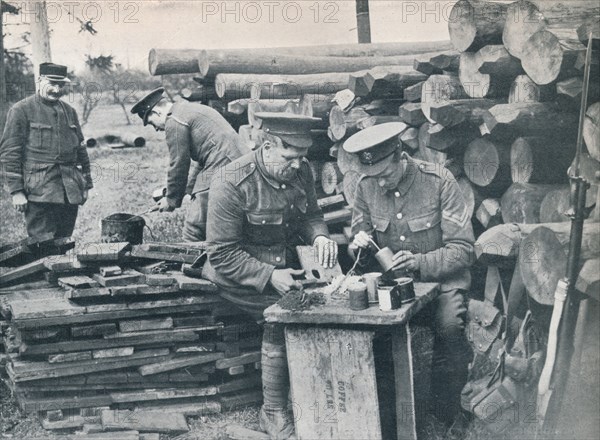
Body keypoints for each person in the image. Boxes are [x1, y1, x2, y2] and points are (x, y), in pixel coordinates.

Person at [203, 112, 338, 439]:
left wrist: (319, 235)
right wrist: (268, 275)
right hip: (238, 274)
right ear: (267, 145)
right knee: (283, 315)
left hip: (287, 267)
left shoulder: (301, 169)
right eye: (290, 158)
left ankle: (325, 395)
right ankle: (273, 411)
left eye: (301, 158)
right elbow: (221, 254)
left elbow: (313, 215)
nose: (297, 166)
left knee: (331, 303)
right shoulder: (231, 181)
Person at [344, 122, 475, 429]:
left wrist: (420, 262)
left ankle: (446, 416)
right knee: (374, 338)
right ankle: (388, 421)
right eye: (374, 177)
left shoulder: (439, 180)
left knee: (449, 328)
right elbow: (360, 253)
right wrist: (358, 246)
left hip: (442, 284)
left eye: (386, 175)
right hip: (395, 288)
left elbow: (464, 249)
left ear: (401, 155)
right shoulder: (365, 187)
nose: (381, 185)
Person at [130, 88, 247, 241]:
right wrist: (187, 189)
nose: (157, 129)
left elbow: (178, 163)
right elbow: (202, 162)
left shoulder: (174, 120)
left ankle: (191, 263)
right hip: (238, 160)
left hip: (225, 163)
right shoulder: (186, 109)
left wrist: (171, 200)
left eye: (152, 124)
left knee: (194, 228)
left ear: (157, 113)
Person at [0, 63, 93, 239]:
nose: (57, 89)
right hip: (39, 192)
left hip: (69, 191)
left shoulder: (69, 111)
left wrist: (86, 184)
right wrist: (16, 191)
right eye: (52, 83)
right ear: (40, 80)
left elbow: (81, 150)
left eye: (61, 85)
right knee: (42, 246)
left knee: (64, 242)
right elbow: (10, 152)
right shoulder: (21, 110)